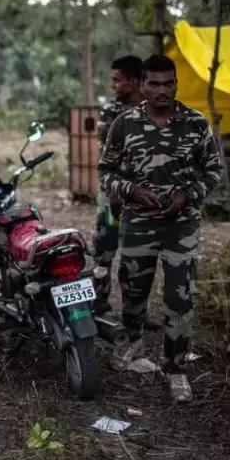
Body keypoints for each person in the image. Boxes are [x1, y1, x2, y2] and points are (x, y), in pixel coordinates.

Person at [98, 54, 222, 402]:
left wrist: (188, 195)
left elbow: (213, 171)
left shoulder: (195, 124)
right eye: (154, 84)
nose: (161, 90)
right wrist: (131, 190)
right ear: (143, 85)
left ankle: (176, 368)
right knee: (134, 290)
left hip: (181, 226)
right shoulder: (125, 123)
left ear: (176, 85)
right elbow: (106, 171)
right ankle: (133, 347)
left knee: (179, 296)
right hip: (138, 223)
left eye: (168, 83)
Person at [93, 55, 144, 316]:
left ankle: (134, 313)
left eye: (117, 80)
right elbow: (105, 157)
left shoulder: (152, 111)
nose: (112, 85)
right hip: (113, 196)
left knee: (136, 258)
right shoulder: (111, 111)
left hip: (141, 198)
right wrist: (113, 191)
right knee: (103, 249)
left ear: (134, 82)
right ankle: (98, 305)